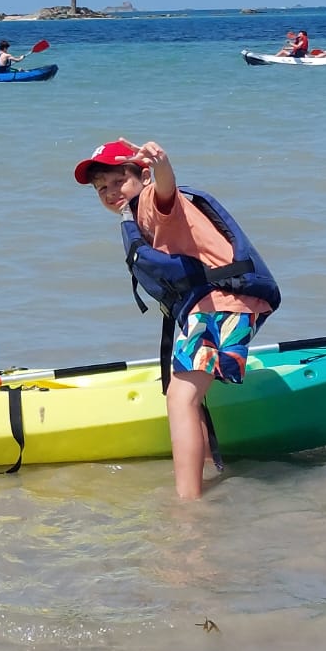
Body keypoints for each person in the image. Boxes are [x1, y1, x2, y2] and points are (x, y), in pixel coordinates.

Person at [74, 137, 280, 500]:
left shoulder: (150, 202)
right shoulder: (137, 211)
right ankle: (204, 477)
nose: (111, 192)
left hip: (219, 303)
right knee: (187, 396)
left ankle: (188, 506)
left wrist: (162, 163)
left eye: (119, 180)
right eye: (101, 188)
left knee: (179, 397)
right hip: (218, 304)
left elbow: (166, 189)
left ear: (143, 177)